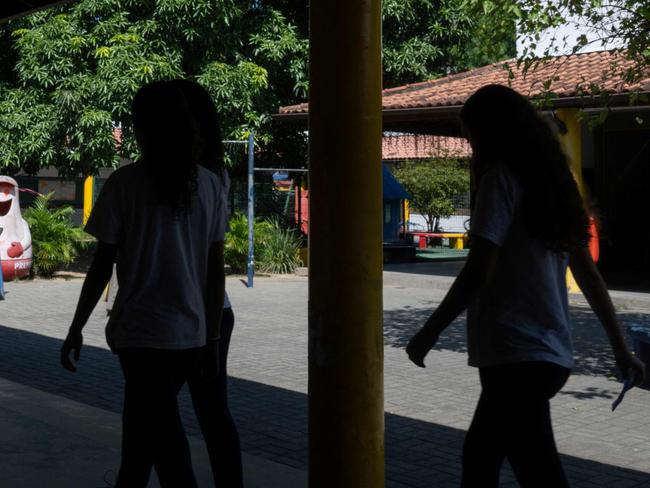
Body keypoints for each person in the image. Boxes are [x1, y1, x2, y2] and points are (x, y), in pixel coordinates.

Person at [406, 84, 645, 488]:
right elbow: (589, 276)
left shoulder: (501, 179)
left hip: (514, 354)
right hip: (549, 355)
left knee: (503, 466)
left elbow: (478, 268)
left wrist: (428, 333)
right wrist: (620, 349)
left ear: (490, 132)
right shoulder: (555, 187)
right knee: (498, 461)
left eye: (472, 135)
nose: (471, 146)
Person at [60, 80, 227, 488]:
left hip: (139, 335)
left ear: (142, 127)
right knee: (143, 436)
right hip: (188, 336)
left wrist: (76, 326)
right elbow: (213, 269)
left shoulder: (124, 184)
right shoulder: (208, 185)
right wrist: (211, 339)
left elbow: (102, 264)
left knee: (159, 446)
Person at [174, 79, 244, 488]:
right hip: (207, 308)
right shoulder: (214, 172)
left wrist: (213, 337)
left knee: (199, 411)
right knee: (209, 411)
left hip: (199, 309)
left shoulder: (206, 176)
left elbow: (211, 259)